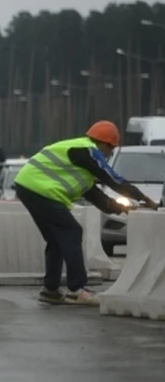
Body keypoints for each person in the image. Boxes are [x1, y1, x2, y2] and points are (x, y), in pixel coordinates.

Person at [13, 120, 159, 306]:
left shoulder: (82, 167)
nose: (108, 155)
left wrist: (123, 209)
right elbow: (112, 178)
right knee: (72, 231)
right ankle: (77, 289)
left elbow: (99, 199)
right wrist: (142, 197)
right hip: (40, 190)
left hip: (28, 187)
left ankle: (50, 290)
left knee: (57, 239)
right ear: (104, 144)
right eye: (110, 150)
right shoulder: (85, 149)